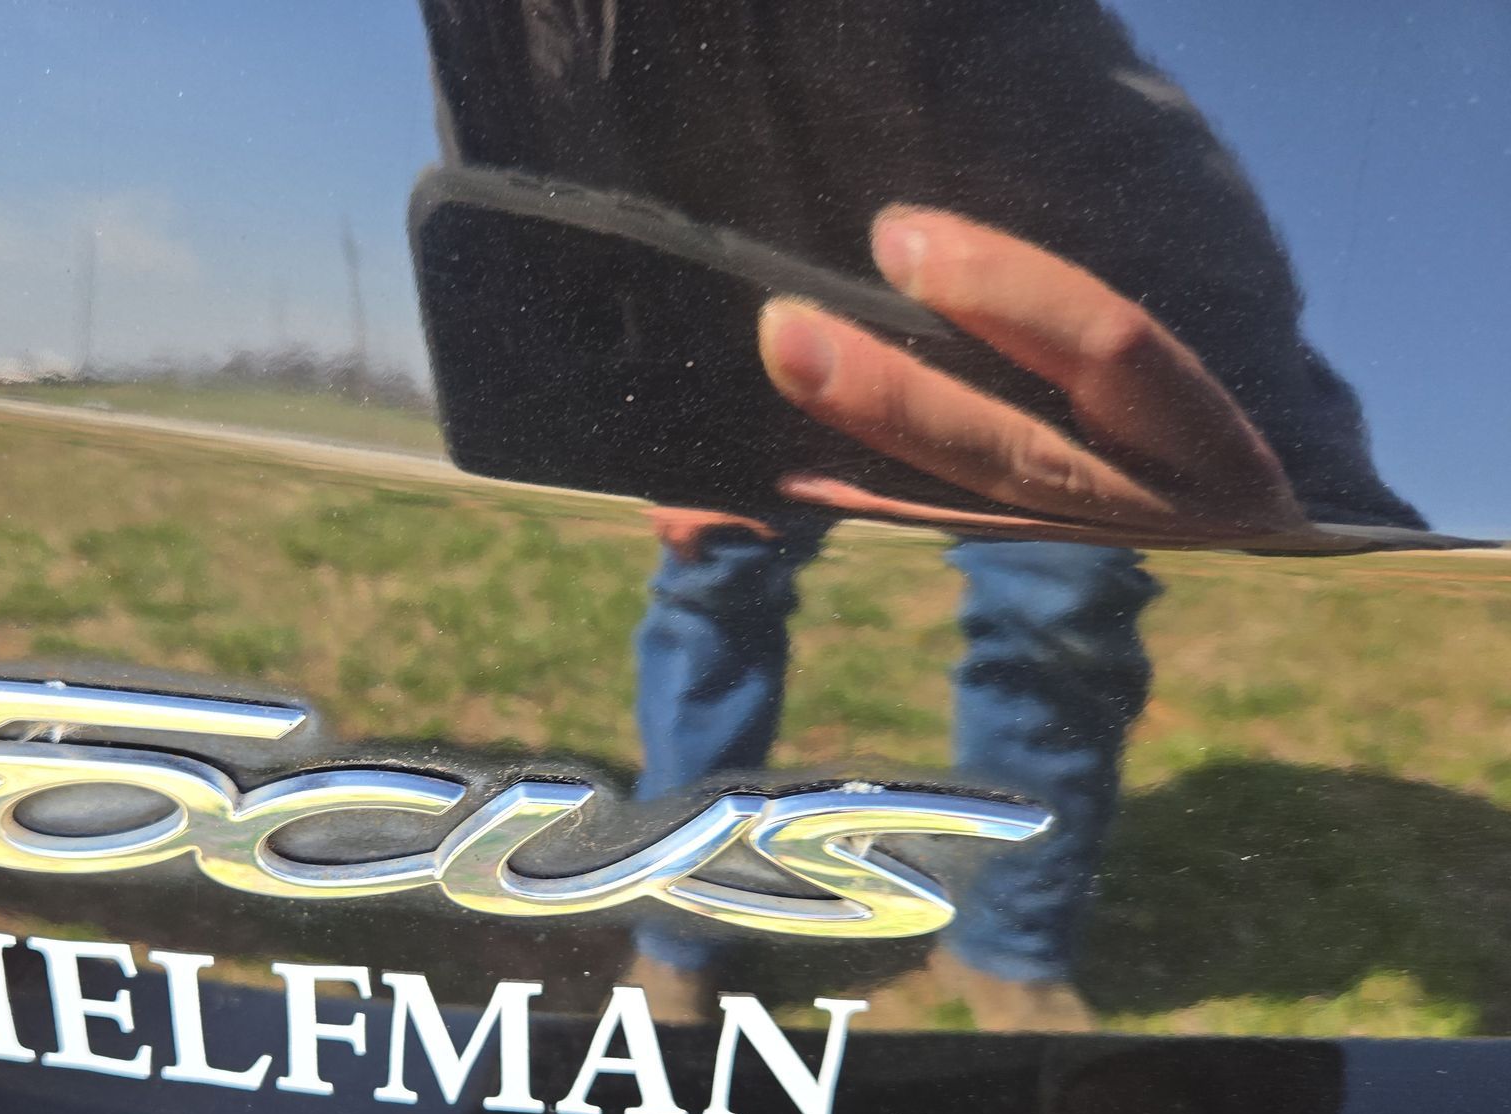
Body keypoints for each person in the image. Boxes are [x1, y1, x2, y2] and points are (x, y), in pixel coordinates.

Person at [422, 0, 1424, 1027]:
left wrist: (1282, 439)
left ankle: (1008, 953)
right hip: (710, 283)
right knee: (714, 584)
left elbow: (1134, 128)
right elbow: (519, 65)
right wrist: (612, 353)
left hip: (1021, 297)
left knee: (1057, 611)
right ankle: (680, 930)